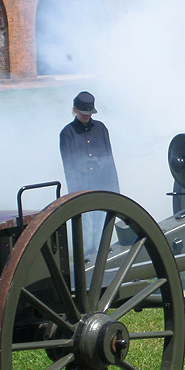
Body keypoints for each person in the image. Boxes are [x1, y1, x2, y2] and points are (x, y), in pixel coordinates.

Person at [59, 91, 120, 254]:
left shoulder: (100, 129)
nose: (87, 117)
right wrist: (75, 192)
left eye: (89, 113)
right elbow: (69, 165)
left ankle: (101, 255)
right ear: (75, 110)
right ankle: (87, 258)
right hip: (82, 186)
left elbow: (108, 158)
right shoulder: (67, 133)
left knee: (101, 225)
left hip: (102, 184)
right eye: (83, 113)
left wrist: (114, 187)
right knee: (85, 227)